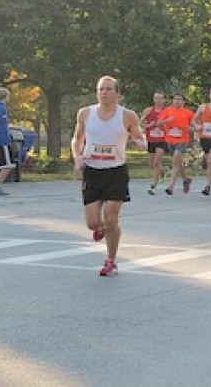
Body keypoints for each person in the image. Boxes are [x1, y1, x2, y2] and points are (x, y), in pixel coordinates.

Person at [71, 76, 146, 276]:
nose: (104, 93)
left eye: (108, 89)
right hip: (92, 172)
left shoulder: (127, 116)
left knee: (111, 219)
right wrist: (78, 156)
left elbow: (140, 137)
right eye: (100, 89)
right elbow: (77, 139)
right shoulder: (85, 113)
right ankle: (103, 229)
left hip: (116, 172)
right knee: (93, 223)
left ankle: (111, 260)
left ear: (117, 94)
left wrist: (140, 143)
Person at [156, 93, 195, 195]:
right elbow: (158, 123)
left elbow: (195, 126)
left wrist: (191, 128)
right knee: (178, 162)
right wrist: (167, 120)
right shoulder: (167, 111)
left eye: (179, 99)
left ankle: (171, 186)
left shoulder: (188, 113)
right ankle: (185, 180)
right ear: (172, 101)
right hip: (170, 140)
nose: (177, 101)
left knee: (175, 160)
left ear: (183, 101)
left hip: (183, 140)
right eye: (175, 99)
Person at [140, 90, 168, 195]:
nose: (158, 101)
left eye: (160, 98)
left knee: (156, 162)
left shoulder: (167, 111)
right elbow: (140, 123)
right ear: (154, 99)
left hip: (163, 140)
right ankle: (162, 172)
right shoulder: (148, 111)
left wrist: (164, 126)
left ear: (164, 100)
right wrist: (149, 125)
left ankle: (153, 186)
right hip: (151, 139)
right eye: (156, 98)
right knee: (152, 164)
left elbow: (172, 124)